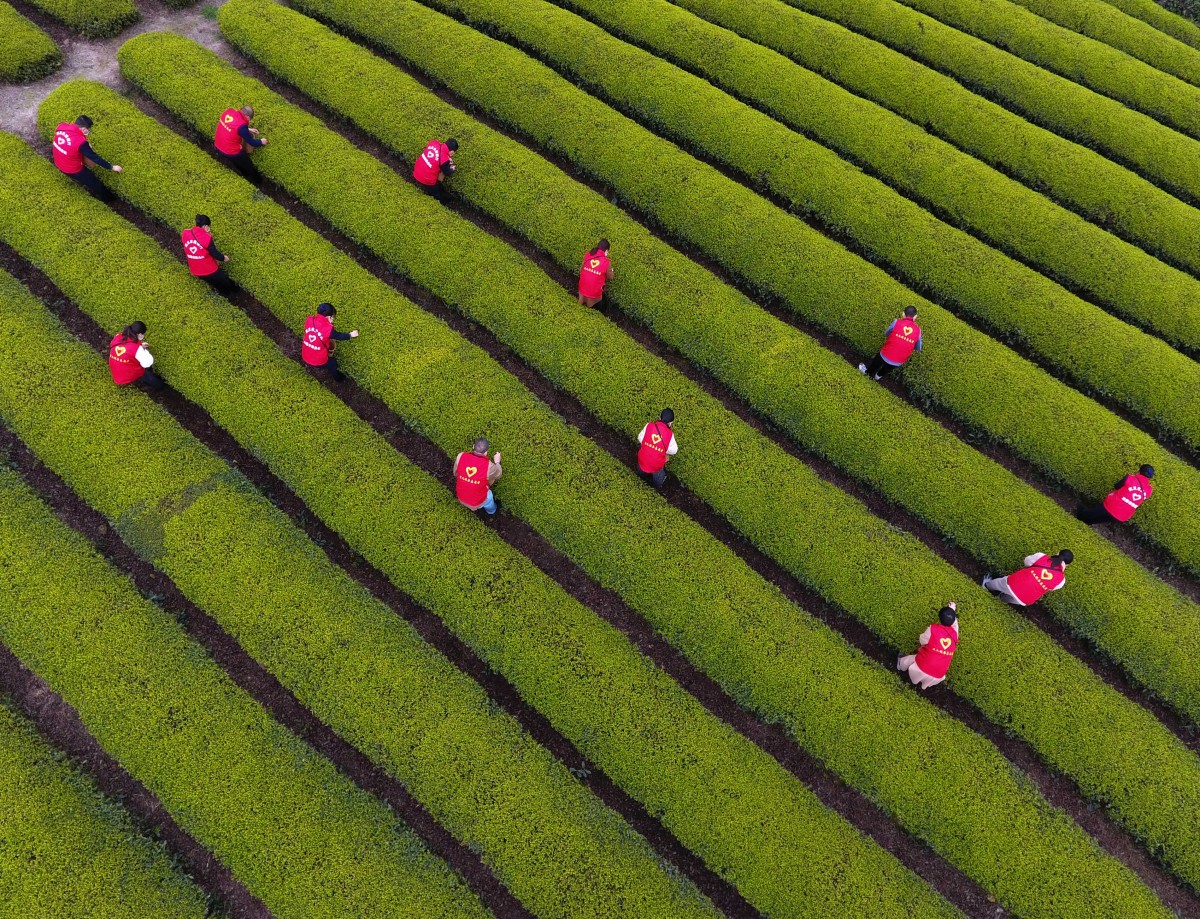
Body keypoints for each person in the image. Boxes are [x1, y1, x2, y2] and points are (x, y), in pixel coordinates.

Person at [52, 115, 123, 203]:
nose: (89, 131)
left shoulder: (61, 126)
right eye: (89, 129)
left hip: (58, 161)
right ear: (83, 129)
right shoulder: (80, 142)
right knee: (94, 183)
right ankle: (109, 199)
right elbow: (95, 158)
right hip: (72, 169)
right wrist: (112, 167)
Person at [897, 602, 959, 690]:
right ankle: (920, 685)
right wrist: (952, 610)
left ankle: (900, 665)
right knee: (927, 664)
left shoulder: (933, 629)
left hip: (923, 666)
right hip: (939, 673)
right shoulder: (955, 634)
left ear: (940, 618)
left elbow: (922, 640)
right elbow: (955, 625)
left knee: (912, 659)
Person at [982, 550, 1073, 607]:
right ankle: (1000, 598)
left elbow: (1026, 562)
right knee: (1011, 598)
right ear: (1067, 565)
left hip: (1012, 583)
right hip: (1025, 600)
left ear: (1058, 553)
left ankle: (986, 586)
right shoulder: (1061, 581)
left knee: (999, 584)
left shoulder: (1041, 557)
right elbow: (1050, 588)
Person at [859, 306, 922, 381]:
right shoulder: (918, 331)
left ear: (903, 314)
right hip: (898, 361)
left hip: (885, 354)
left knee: (876, 363)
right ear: (915, 317)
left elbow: (886, 333)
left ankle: (868, 373)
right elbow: (918, 348)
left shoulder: (896, 322)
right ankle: (877, 377)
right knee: (888, 368)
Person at [300, 303, 358, 383]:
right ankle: (338, 378)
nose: (333, 319)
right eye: (333, 317)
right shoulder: (328, 329)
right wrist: (351, 335)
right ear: (328, 317)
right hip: (317, 360)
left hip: (305, 354)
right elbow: (339, 336)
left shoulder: (309, 320)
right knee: (333, 364)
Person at [1078, 465, 1155, 525]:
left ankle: (1080, 515)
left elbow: (1117, 486)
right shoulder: (1149, 490)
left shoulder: (1130, 478)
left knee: (1091, 513)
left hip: (1112, 505)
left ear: (1139, 470)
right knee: (1101, 519)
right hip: (1123, 515)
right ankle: (1087, 523)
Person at [181, 215, 235, 294]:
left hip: (195, 269)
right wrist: (224, 258)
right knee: (225, 282)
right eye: (209, 226)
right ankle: (230, 293)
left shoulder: (185, 232)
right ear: (206, 226)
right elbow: (215, 254)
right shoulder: (206, 237)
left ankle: (224, 293)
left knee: (213, 283)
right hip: (209, 269)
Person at [214, 105, 267, 183]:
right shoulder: (241, 126)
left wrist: (248, 129)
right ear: (248, 117)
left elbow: (232, 125)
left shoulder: (229, 111)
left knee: (236, 162)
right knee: (248, 165)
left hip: (218, 144)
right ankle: (259, 181)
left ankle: (244, 174)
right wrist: (262, 141)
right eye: (249, 119)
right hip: (230, 151)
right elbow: (252, 142)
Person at [108, 321, 163, 391]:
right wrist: (142, 350)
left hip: (116, 370)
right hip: (127, 373)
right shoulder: (137, 349)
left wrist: (140, 345)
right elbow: (148, 362)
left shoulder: (118, 337)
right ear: (139, 334)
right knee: (147, 375)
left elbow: (126, 346)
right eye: (143, 334)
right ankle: (160, 386)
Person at [454, 438, 503, 515]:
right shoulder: (489, 466)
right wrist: (497, 462)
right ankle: (492, 512)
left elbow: (455, 473)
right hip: (477, 502)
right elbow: (499, 474)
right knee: (489, 497)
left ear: (473, 446)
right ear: (486, 452)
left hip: (460, 496)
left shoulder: (461, 456)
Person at [637, 408, 678, 488]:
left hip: (642, 458)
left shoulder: (649, 425)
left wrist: (649, 444)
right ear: (670, 423)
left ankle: (640, 477)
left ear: (659, 417)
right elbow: (674, 450)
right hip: (655, 465)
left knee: (641, 467)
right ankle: (657, 486)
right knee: (658, 475)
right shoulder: (670, 435)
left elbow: (640, 437)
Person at [578, 239, 614, 309]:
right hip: (594, 295)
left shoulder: (589, 254)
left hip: (582, 289)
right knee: (600, 304)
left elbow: (581, 269)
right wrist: (611, 270)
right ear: (606, 251)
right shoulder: (606, 262)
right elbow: (611, 277)